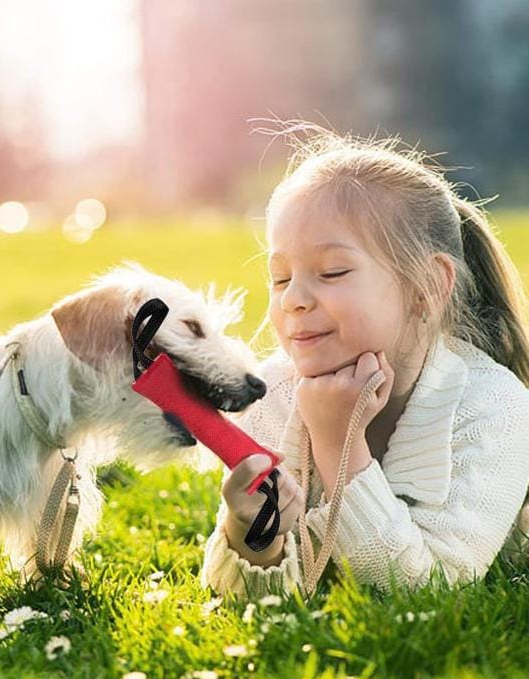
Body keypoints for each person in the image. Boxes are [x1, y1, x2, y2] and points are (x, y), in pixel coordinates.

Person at [201, 124, 529, 599]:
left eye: (331, 271)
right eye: (279, 278)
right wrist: (253, 537)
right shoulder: (273, 395)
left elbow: (431, 591)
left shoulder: (496, 408)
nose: (293, 298)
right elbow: (247, 600)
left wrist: (340, 447)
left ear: (428, 287)